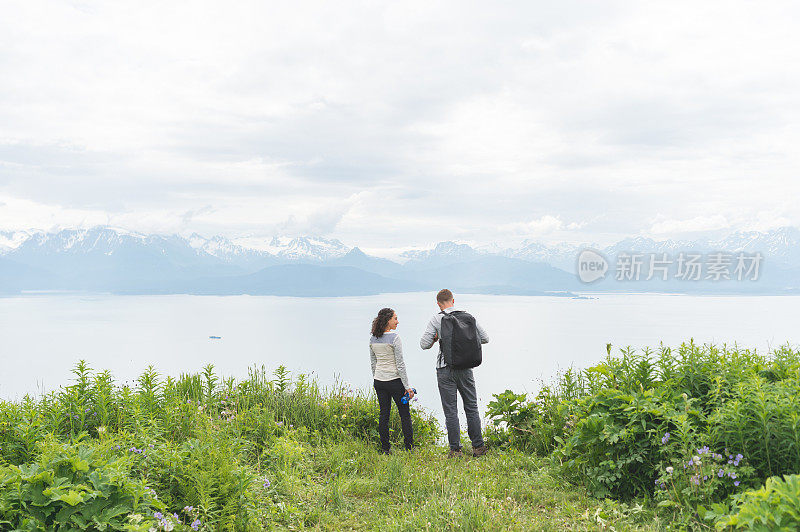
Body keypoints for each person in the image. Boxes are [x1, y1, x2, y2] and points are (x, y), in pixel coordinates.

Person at [420, 289, 489, 457]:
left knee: (451, 410)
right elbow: (485, 338)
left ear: (438, 303)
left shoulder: (437, 319)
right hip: (466, 368)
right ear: (453, 300)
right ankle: (478, 448)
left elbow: (423, 344)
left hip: (445, 369)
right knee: (471, 407)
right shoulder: (468, 316)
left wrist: (436, 339)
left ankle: (455, 450)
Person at [370, 307, 414, 454]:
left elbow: (373, 363)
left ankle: (385, 449)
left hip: (379, 381)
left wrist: (377, 377)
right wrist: (407, 387)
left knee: (384, 414)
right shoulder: (395, 338)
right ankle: (409, 447)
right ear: (388, 320)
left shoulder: (373, 339)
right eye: (395, 318)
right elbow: (400, 363)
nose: (397, 321)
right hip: (395, 381)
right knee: (405, 414)